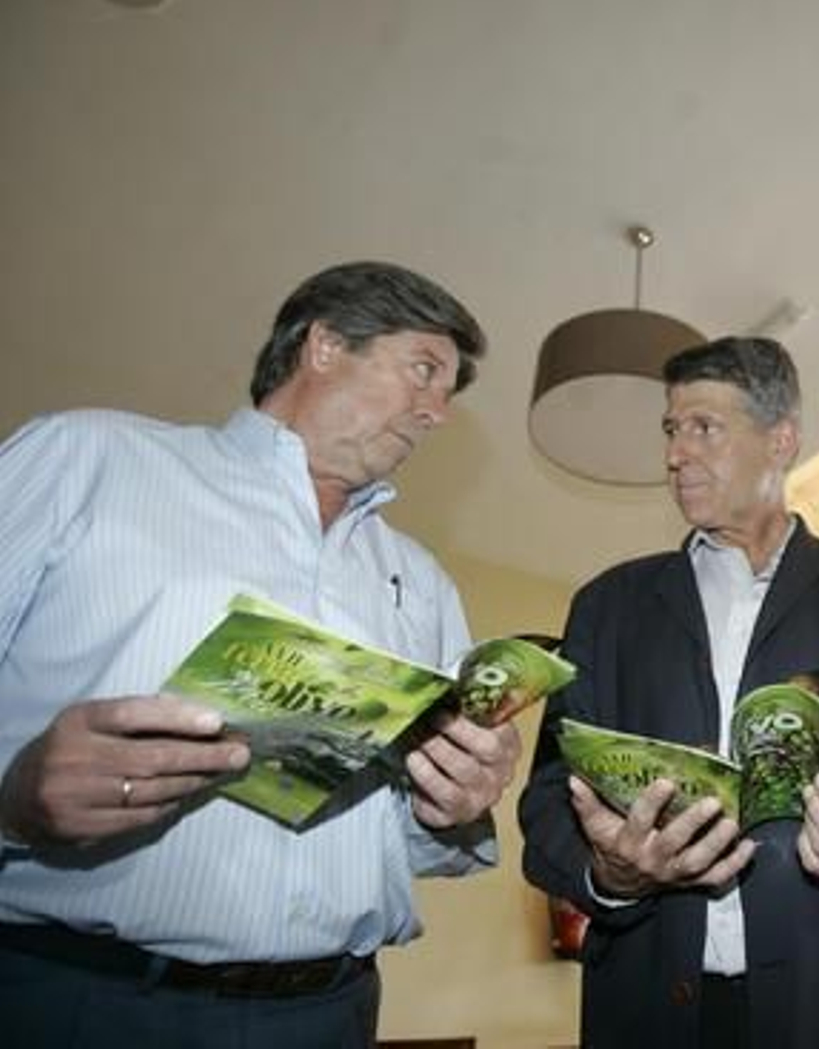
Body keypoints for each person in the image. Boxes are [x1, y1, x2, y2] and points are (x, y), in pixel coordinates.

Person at [0, 261, 525, 1048]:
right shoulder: (88, 457)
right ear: (324, 345)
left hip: (333, 1011)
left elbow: (408, 842)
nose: (437, 411)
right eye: (424, 370)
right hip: (82, 1000)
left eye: (449, 392)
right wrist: (11, 798)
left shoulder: (422, 583)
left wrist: (451, 803)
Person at [519, 336, 819, 1049]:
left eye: (704, 427)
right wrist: (611, 871)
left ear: (781, 440)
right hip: (651, 1008)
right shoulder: (606, 606)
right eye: (670, 430)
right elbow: (549, 797)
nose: (675, 453)